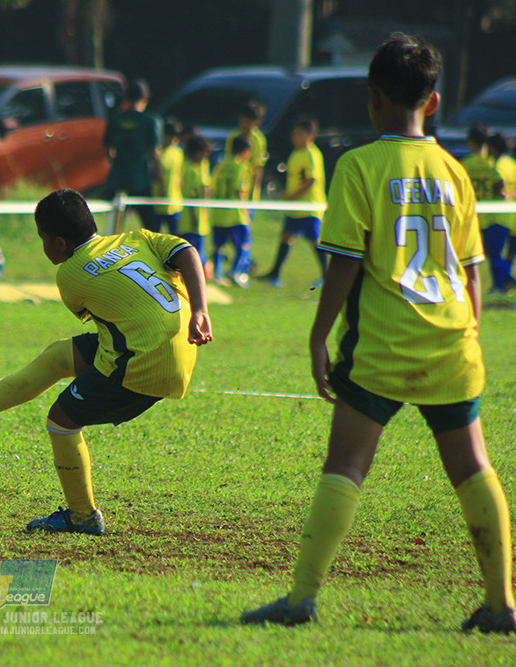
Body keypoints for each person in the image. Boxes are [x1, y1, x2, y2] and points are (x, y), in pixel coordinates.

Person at [241, 32, 515, 633]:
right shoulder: (454, 172)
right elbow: (470, 271)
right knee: (473, 467)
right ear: (435, 101)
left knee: (345, 466)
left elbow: (343, 262)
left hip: (383, 344)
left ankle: (300, 600)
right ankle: (500, 606)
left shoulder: (360, 166)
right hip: (451, 342)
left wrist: (318, 337)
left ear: (372, 98)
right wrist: (468, 337)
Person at [0, 188, 213, 535]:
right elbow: (187, 251)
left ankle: (83, 516)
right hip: (184, 340)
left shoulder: (70, 275)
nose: (43, 248)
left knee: (62, 420)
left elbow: (104, 315)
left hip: (146, 362)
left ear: (59, 244)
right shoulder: (137, 237)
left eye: (43, 240)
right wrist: (200, 310)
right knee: (58, 357)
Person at [260, 115, 328, 288]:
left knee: (315, 241)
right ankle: (274, 274)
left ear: (310, 136)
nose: (295, 137)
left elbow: (310, 180)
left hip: (308, 207)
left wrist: (291, 196)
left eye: (299, 134)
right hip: (294, 207)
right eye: (294, 133)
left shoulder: (311, 154)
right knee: (286, 237)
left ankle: (327, 276)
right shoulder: (296, 153)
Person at [104, 79, 162, 233]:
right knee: (152, 229)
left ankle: (110, 255)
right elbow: (154, 154)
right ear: (145, 98)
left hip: (119, 180)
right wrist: (160, 180)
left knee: (114, 228)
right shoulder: (150, 121)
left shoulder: (115, 120)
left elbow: (108, 150)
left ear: (126, 98)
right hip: (141, 179)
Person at [462, 125, 508, 293]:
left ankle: (503, 283)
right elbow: (500, 188)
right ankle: (503, 282)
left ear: (471, 143)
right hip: (493, 214)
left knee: (473, 256)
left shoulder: (465, 164)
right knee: (493, 253)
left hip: (473, 214)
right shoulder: (492, 164)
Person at [210, 134, 252, 287]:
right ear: (244, 152)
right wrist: (245, 210)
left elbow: (212, 185)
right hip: (235, 212)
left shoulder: (221, 164)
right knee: (243, 243)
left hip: (219, 212)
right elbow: (238, 189)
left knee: (218, 245)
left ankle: (217, 273)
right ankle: (235, 272)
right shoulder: (241, 166)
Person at [225, 100, 268, 212]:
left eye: (248, 121)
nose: (245, 124)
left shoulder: (258, 140)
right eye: (243, 120)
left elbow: (258, 167)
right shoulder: (233, 136)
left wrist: (253, 194)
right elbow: (228, 160)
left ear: (255, 122)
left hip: (247, 188)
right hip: (232, 187)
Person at [486, 132, 516, 290]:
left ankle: (501, 284)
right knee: (501, 251)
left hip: (498, 215)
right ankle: (504, 282)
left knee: (494, 252)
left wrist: (496, 193)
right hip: (510, 214)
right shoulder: (511, 163)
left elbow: (500, 185)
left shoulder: (498, 165)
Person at [180, 134, 211, 273]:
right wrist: (194, 218)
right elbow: (190, 197)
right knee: (192, 251)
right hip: (191, 220)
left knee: (199, 249)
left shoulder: (201, 166)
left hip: (200, 218)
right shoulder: (190, 170)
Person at [152, 117, 186, 236]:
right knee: (155, 236)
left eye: (174, 136)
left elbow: (181, 175)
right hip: (157, 201)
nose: (172, 139)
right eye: (169, 136)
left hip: (175, 201)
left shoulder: (179, 152)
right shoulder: (157, 152)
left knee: (176, 236)